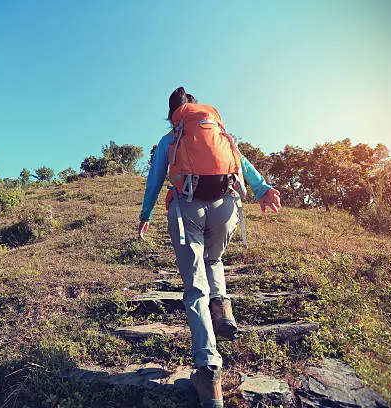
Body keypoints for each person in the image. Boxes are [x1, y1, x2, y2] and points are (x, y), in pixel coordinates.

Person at [137, 87, 281, 408]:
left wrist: (145, 215)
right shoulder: (218, 130)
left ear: (173, 113)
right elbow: (241, 161)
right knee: (213, 259)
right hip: (226, 205)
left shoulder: (171, 139)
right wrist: (262, 189)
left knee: (194, 287)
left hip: (187, 205)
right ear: (196, 107)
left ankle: (208, 370)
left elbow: (155, 180)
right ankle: (223, 309)